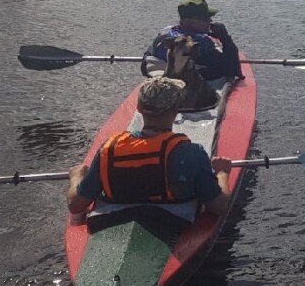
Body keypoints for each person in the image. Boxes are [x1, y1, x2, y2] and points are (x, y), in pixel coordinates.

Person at [66, 77, 235, 219]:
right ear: (177, 110)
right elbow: (219, 206)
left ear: (139, 108)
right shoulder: (191, 153)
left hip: (112, 220)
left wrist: (76, 177)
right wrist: (222, 173)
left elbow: (76, 205)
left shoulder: (108, 149)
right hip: (174, 224)